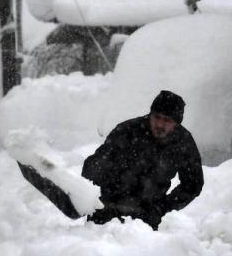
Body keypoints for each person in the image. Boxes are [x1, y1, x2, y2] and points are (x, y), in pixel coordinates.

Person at [81, 89, 204, 229]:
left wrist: (163, 207)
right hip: (108, 209)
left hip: (147, 216)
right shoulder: (127, 131)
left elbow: (193, 184)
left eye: (167, 120)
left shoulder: (183, 142)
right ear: (150, 114)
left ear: (176, 124)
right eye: (157, 117)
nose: (160, 125)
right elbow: (91, 168)